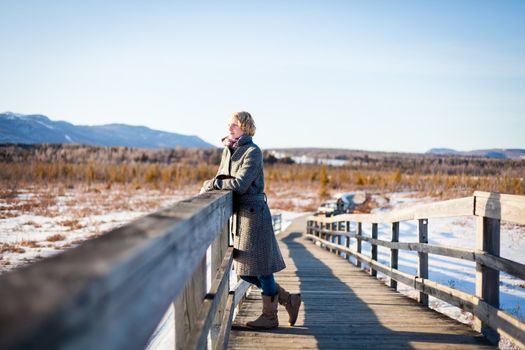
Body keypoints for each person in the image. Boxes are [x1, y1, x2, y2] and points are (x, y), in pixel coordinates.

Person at [201, 111, 301, 329]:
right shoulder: (228, 149)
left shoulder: (252, 152)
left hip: (254, 216)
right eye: (229, 124)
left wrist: (214, 184)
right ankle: (287, 300)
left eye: (234, 124)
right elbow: (224, 177)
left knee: (261, 269)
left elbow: (239, 184)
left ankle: (270, 316)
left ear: (245, 127)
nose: (229, 128)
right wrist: (216, 183)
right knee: (245, 270)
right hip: (241, 217)